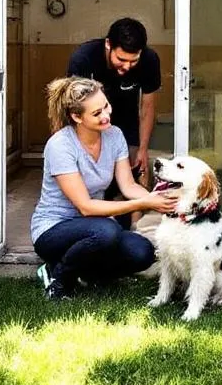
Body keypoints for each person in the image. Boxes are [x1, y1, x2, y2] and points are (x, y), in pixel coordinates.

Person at [30, 76, 178, 301]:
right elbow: (86, 207)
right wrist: (145, 203)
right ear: (76, 117)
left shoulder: (114, 135)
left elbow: (128, 186)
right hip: (54, 229)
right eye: (97, 113)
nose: (106, 115)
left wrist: (157, 199)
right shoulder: (60, 145)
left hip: (95, 227)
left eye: (106, 106)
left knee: (143, 253)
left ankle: (87, 273)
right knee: (107, 232)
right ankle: (57, 277)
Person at [67, 17, 161, 229]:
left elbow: (147, 107)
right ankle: (88, 221)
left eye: (133, 61)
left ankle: (136, 229)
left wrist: (143, 149)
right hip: (90, 122)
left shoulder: (149, 60)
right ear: (108, 44)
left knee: (139, 169)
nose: (127, 66)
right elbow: (74, 111)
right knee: (92, 176)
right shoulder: (83, 59)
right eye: (121, 59)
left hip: (127, 122)